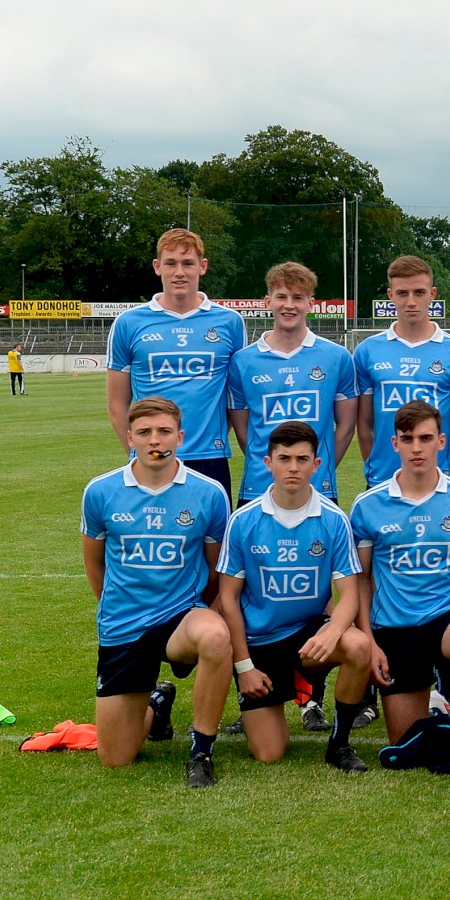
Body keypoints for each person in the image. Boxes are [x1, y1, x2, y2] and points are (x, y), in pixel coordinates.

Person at [349, 400, 450, 784]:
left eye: (426, 439)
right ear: (394, 444)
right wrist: (369, 641)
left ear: (442, 441)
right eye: (408, 440)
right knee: (404, 745)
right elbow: (361, 581)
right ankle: (444, 713)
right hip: (394, 631)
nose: (417, 448)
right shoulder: (368, 506)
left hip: (447, 620)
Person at [80, 397, 234, 788]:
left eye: (164, 431)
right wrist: (114, 606)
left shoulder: (209, 493)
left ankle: (201, 751)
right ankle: (157, 703)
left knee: (216, 635)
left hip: (181, 618)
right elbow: (95, 564)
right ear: (129, 436)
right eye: (145, 432)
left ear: (180, 437)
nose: (155, 441)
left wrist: (204, 607)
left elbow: (216, 567)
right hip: (123, 624)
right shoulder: (100, 491)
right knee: (116, 758)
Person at [214, 421, 374, 772]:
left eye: (302, 459)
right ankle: (289, 689)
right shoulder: (243, 521)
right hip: (261, 643)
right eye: (284, 458)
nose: (293, 467)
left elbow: (349, 594)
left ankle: (339, 743)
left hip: (309, 635)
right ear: (267, 463)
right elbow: (228, 600)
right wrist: (244, 669)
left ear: (317, 465)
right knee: (269, 752)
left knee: (358, 646)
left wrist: (332, 631)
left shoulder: (333, 519)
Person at [105, 228, 248, 497]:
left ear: (202, 267)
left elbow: (235, 397)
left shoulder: (229, 322)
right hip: (150, 456)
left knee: (212, 538)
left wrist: (211, 435)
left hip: (210, 456)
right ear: (157, 267)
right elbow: (116, 403)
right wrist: (140, 450)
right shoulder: (129, 323)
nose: (179, 272)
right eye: (170, 263)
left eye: (188, 263)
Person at [227, 262, 359, 507]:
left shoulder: (337, 357)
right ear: (268, 302)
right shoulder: (242, 361)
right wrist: (273, 466)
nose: (289, 305)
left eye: (298, 297)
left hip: (318, 487)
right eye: (281, 297)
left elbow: (346, 427)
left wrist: (318, 468)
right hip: (258, 487)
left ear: (311, 303)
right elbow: (245, 433)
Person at [354, 255, 450, 486]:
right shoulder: (367, 351)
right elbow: (364, 426)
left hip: (438, 482)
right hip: (382, 481)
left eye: (419, 292)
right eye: (402, 293)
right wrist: (377, 468)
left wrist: (447, 472)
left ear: (432, 294)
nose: (411, 301)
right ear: (391, 296)